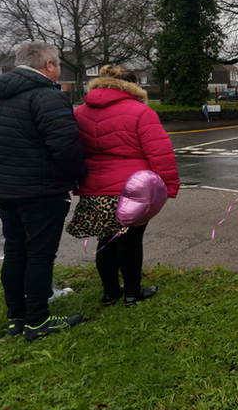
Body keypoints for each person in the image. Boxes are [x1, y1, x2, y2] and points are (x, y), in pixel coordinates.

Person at [0, 42, 88, 341]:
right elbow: (66, 146)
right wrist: (80, 175)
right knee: (40, 256)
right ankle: (38, 320)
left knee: (14, 252)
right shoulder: (47, 96)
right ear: (49, 65)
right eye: (58, 66)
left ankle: (16, 317)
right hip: (41, 190)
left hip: (5, 187)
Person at [67, 65, 179, 307]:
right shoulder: (140, 112)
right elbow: (160, 152)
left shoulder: (80, 113)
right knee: (131, 241)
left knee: (105, 239)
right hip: (132, 189)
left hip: (95, 188)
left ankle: (110, 292)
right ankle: (132, 292)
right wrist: (169, 186)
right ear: (133, 86)